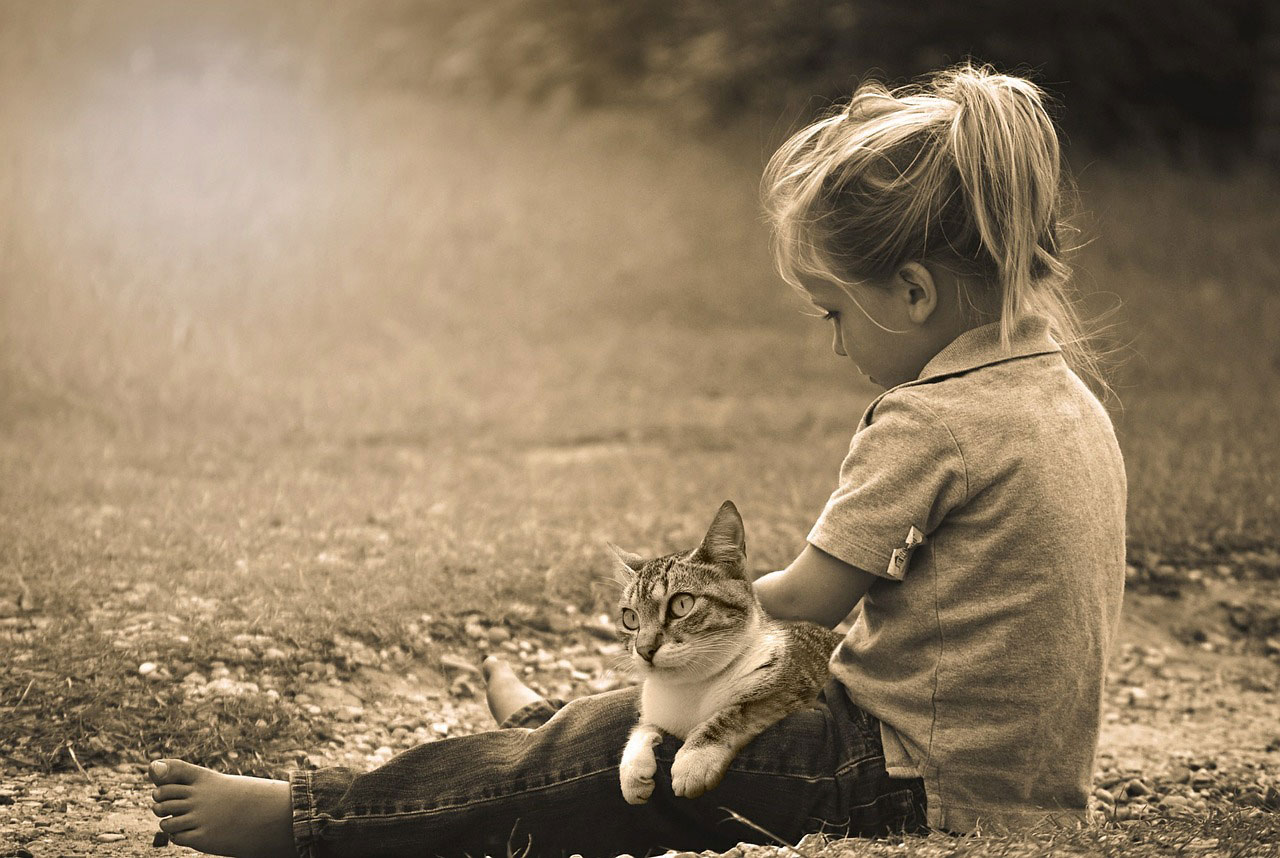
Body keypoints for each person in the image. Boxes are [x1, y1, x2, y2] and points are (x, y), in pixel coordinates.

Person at [145, 62, 1126, 857]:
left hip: (895, 779)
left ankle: (318, 818)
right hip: (1018, 789)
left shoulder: (930, 419)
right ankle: (559, 727)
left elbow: (797, 606)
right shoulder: (1065, 401)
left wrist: (682, 613)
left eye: (832, 313)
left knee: (609, 756)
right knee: (641, 719)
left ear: (911, 293)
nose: (833, 345)